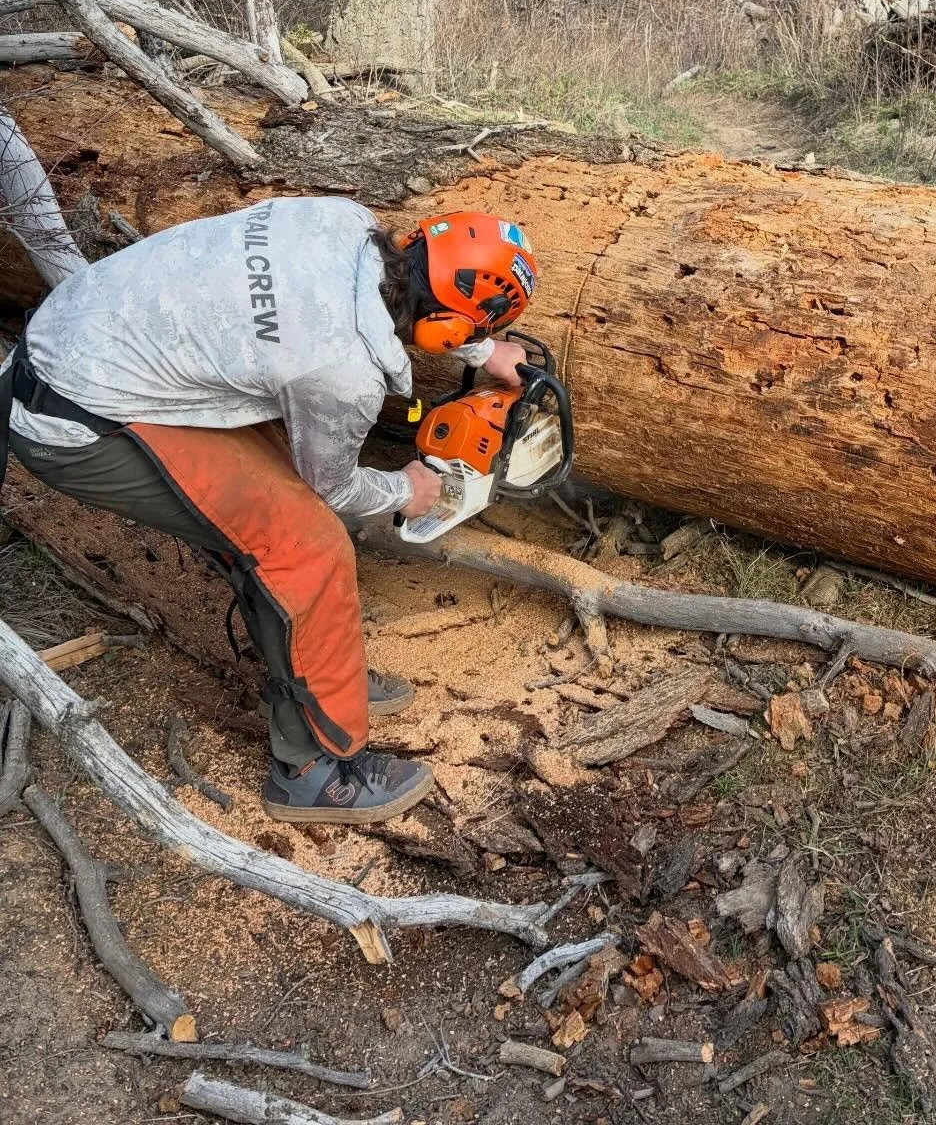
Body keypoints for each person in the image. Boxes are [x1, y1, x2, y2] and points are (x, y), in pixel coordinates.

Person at [0, 198, 538, 825]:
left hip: (75, 340)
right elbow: (333, 488)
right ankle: (311, 770)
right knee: (304, 541)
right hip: (76, 422)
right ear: (445, 323)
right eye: (467, 332)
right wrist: (404, 491)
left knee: (280, 491)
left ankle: (313, 677)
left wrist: (483, 352)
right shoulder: (341, 368)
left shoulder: (344, 219)